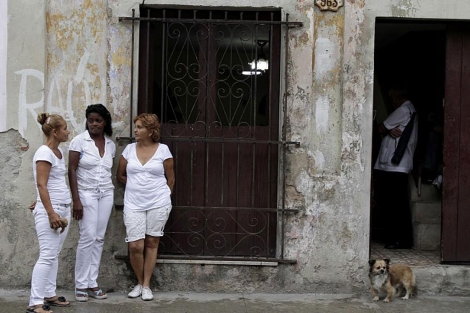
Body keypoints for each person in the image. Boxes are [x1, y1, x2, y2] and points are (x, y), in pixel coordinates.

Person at [116, 113, 175, 301]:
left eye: (140, 127)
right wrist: (136, 186)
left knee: (151, 243)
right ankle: (139, 283)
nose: (135, 130)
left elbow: (171, 179)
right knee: (135, 245)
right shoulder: (129, 150)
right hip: (134, 202)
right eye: (136, 127)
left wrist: (164, 195)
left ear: (151, 131)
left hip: (158, 202)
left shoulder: (163, 150)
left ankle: (147, 285)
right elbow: (120, 175)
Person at [68, 104, 116, 302]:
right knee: (87, 236)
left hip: (106, 193)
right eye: (90, 120)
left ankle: (92, 282)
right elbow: (71, 170)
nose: (94, 124)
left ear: (105, 122)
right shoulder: (79, 141)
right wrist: (76, 200)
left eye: (98, 120)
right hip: (85, 194)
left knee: (99, 237)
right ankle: (81, 284)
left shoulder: (110, 144)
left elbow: (106, 172)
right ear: (86, 121)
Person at [28, 113, 71, 313]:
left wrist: (41, 201)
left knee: (54, 254)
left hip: (62, 207)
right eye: (64, 128)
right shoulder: (44, 153)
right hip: (52, 211)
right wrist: (50, 212)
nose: (67, 131)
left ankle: (49, 294)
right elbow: (41, 184)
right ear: (55, 131)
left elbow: (50, 184)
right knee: (47, 255)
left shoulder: (58, 152)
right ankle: (36, 302)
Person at [374, 86, 418, 249]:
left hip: (395, 166)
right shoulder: (410, 110)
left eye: (393, 99)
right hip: (399, 165)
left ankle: (398, 239)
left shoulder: (403, 110)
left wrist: (387, 129)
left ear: (397, 98)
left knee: (395, 204)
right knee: (399, 203)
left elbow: (381, 128)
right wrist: (390, 129)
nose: (392, 102)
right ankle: (402, 239)